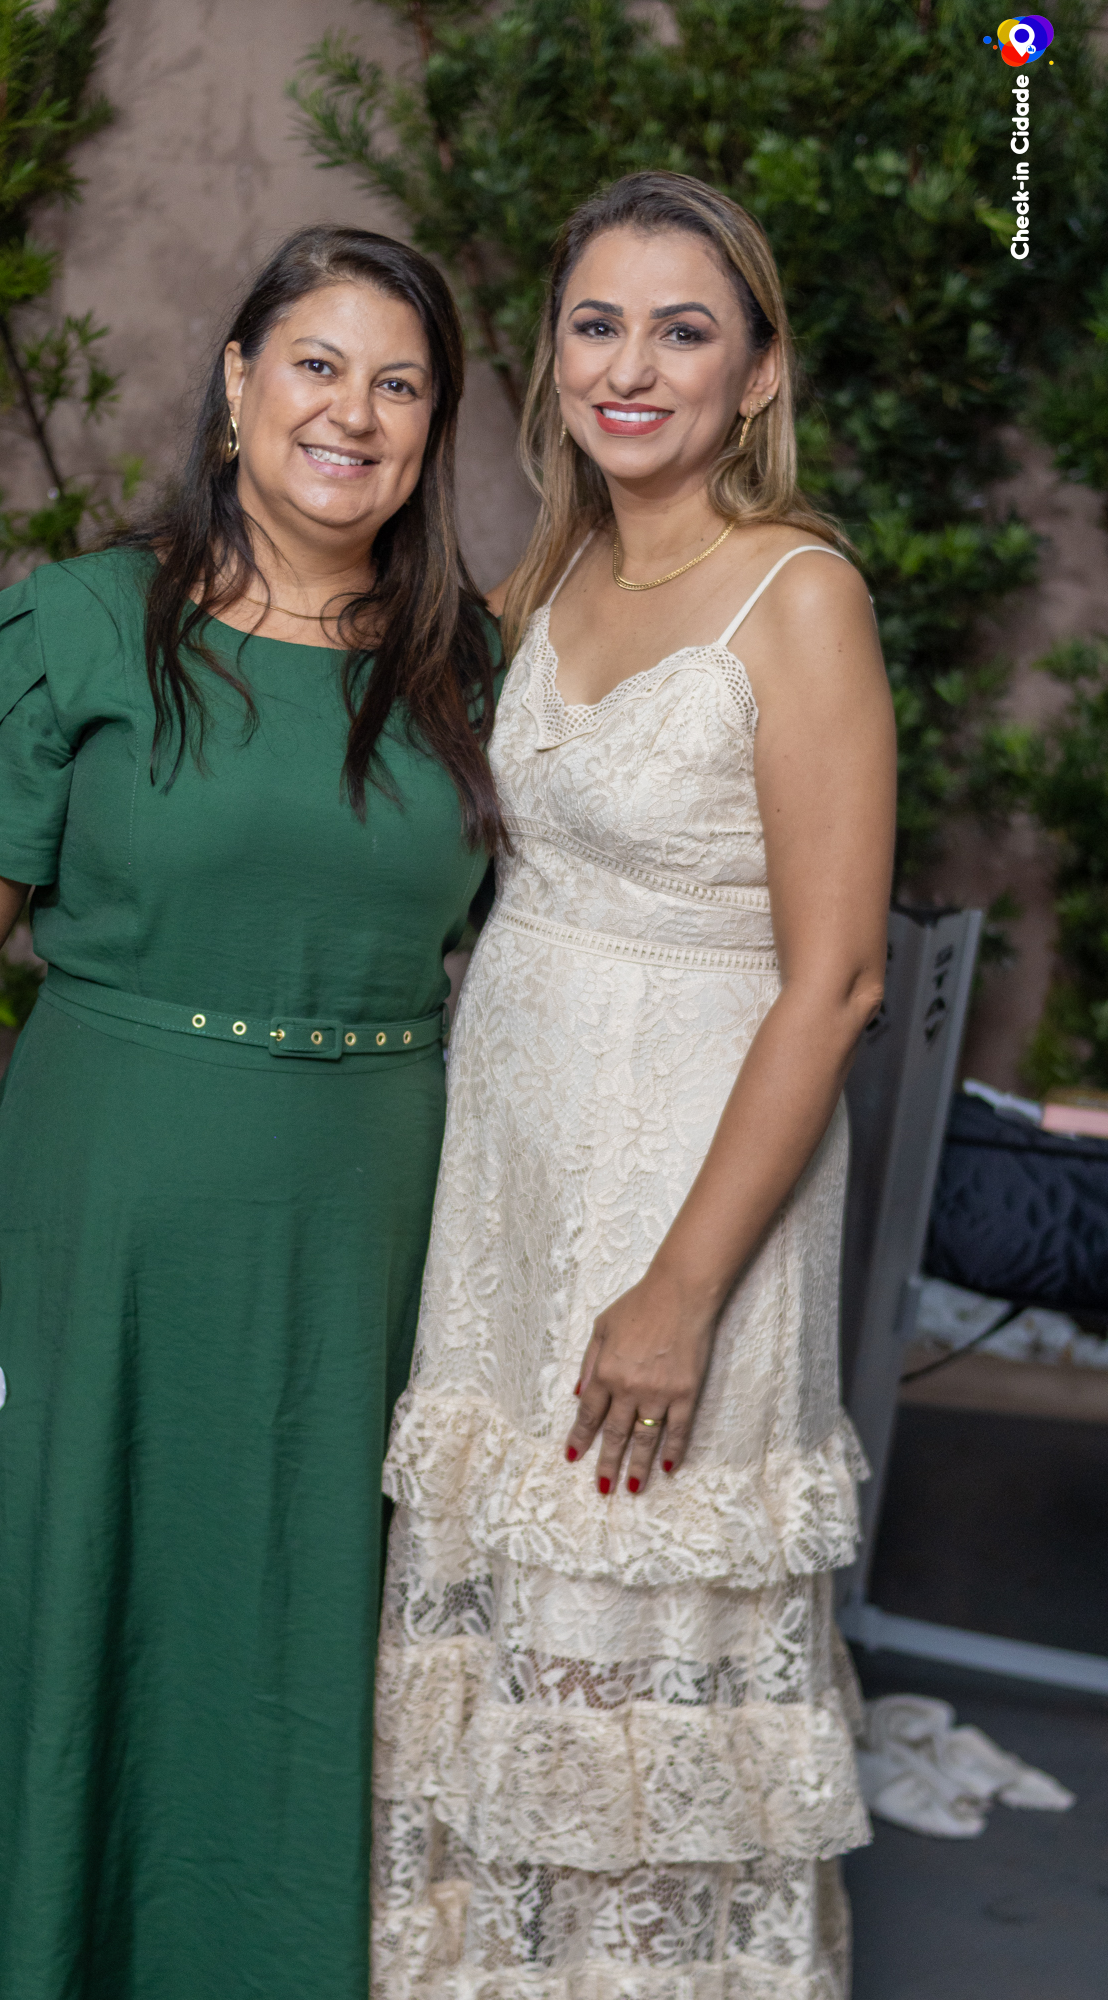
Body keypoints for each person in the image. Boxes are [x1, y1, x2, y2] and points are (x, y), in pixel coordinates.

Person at [0, 225, 502, 2000]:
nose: (353, 414)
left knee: (287, 1638)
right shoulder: (76, 629)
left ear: (434, 430)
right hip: (94, 1217)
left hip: (362, 1243)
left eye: (400, 385)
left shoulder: (469, 665)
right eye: (317, 365)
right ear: (238, 381)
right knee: (59, 1620)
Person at [373, 172, 895, 1997]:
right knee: (515, 1610)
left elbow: (835, 981)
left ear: (758, 373)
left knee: (629, 1614)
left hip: (685, 1181)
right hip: (511, 1178)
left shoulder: (799, 596)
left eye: (684, 331)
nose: (631, 366)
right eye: (596, 324)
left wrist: (679, 1290)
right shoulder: (558, 570)